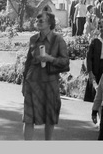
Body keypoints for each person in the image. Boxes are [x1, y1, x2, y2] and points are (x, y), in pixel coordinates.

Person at [22, 12, 69, 140]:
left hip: (50, 83)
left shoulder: (58, 39)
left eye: (41, 21)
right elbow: (28, 62)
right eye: (37, 21)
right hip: (32, 82)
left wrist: (50, 59)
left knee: (50, 117)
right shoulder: (33, 39)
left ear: (49, 23)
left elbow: (65, 62)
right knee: (28, 118)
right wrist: (24, 82)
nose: (38, 22)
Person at [84, 19, 103, 102]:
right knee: (94, 93)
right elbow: (89, 58)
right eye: (101, 27)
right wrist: (90, 72)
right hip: (96, 67)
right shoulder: (94, 41)